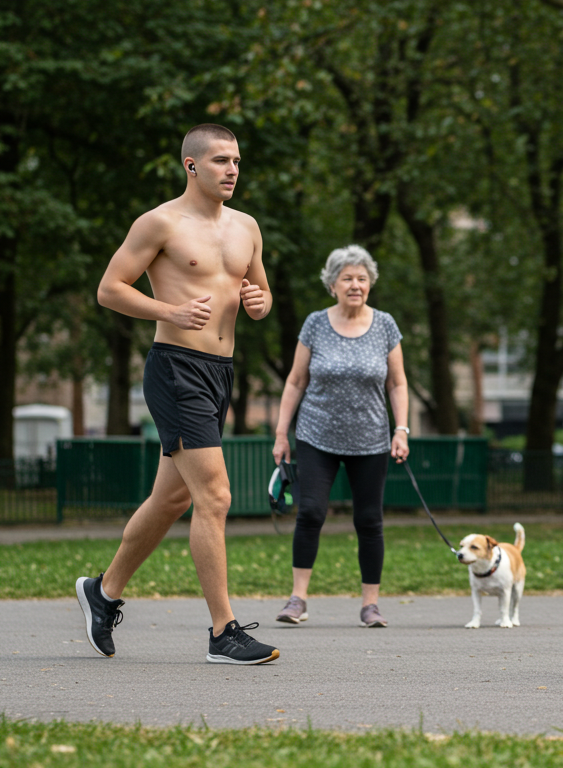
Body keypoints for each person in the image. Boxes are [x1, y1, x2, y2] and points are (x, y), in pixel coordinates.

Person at [79, 124, 279, 665]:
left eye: (236, 160)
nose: (232, 169)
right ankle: (223, 633)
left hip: (222, 371)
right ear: (192, 166)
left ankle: (103, 592)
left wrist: (259, 303)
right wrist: (168, 310)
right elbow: (109, 289)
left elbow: (257, 294)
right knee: (215, 496)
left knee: (172, 498)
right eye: (220, 160)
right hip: (176, 369)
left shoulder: (247, 228)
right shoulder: (160, 222)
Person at [271, 245, 409, 628]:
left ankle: (370, 604)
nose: (355, 285)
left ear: (371, 284)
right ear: (332, 284)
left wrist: (402, 429)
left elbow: (398, 384)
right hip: (317, 435)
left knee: (369, 519)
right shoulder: (316, 323)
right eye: (347, 278)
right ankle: (297, 599)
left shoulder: (384, 325)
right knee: (311, 512)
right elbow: (296, 380)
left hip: (371, 439)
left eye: (362, 278)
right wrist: (282, 433)